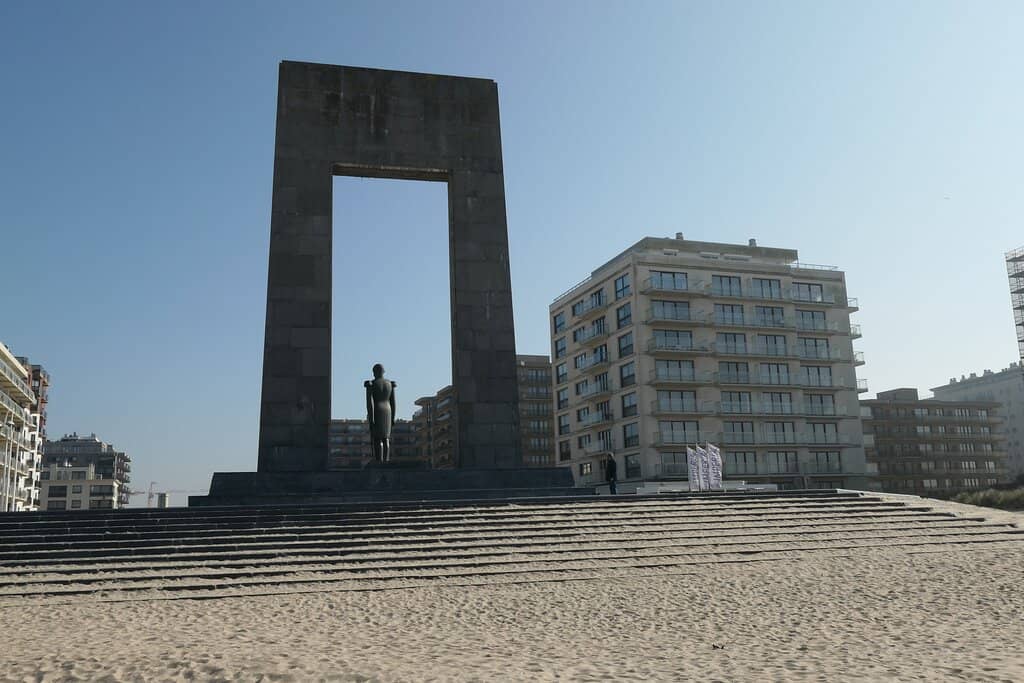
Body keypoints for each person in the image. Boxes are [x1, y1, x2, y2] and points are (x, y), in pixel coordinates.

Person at [364, 364, 396, 463]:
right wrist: (393, 417)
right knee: (386, 438)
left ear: (374, 372)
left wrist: (371, 419)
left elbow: (369, 403)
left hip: (377, 409)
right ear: (383, 372)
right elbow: (393, 402)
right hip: (388, 410)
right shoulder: (390, 384)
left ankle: (379, 462)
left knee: (377, 439)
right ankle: (386, 460)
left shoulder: (372, 384)